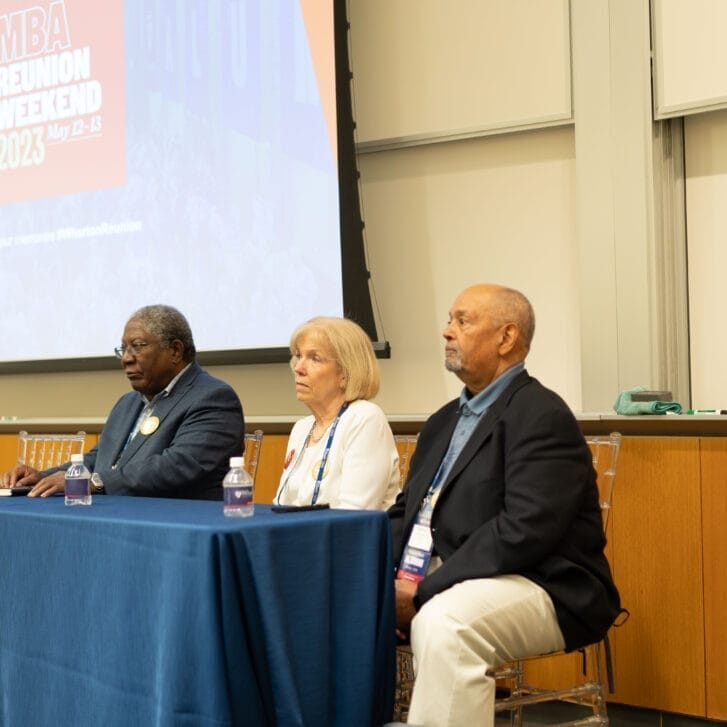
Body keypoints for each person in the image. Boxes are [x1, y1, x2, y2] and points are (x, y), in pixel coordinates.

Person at [389, 284, 621, 726]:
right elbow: (407, 514)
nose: (446, 331)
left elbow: (522, 532)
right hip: (446, 573)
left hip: (542, 583)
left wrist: (422, 591)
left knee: (447, 625)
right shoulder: (442, 422)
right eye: (449, 320)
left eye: (463, 320)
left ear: (506, 337)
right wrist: (368, 571)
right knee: (335, 596)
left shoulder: (541, 414)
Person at [0, 305, 244, 499]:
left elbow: (177, 466)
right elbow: (99, 461)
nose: (126, 358)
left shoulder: (213, 397)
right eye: (123, 349)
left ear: (175, 351)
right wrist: (41, 477)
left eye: (137, 347)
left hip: (177, 526)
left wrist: (94, 482)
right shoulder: (128, 403)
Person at [275, 316, 400, 510]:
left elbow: (355, 513)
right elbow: (281, 504)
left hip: (346, 538)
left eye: (314, 358)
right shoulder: (302, 428)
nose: (298, 368)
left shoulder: (364, 419)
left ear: (345, 374)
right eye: (299, 356)